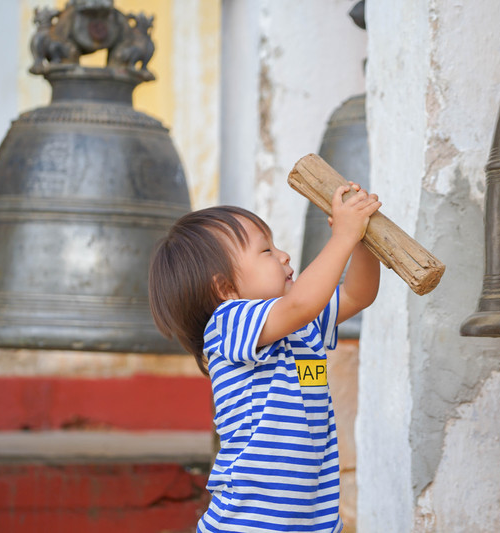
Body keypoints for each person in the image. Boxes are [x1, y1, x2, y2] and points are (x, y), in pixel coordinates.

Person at [149, 183, 382, 532]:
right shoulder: (229, 322)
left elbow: (357, 294)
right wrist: (342, 238)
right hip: (246, 523)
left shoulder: (299, 327)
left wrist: (364, 239)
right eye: (266, 251)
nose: (284, 255)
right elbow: (301, 304)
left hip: (311, 521)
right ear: (225, 289)